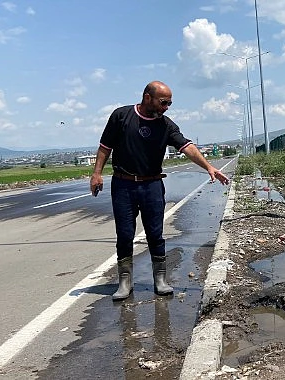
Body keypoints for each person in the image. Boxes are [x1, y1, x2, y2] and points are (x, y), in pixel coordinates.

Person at [90, 80, 229, 301]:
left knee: (155, 234)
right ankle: (125, 282)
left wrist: (209, 167)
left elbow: (187, 147)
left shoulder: (166, 125)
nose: (166, 108)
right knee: (125, 234)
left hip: (152, 185)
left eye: (169, 104)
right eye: (163, 103)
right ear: (148, 98)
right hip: (123, 185)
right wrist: (97, 174)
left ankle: (160, 280)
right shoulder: (121, 116)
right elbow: (105, 147)